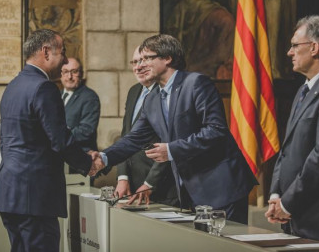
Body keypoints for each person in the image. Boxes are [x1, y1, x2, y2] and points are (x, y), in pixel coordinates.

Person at [101, 34, 257, 224]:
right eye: (139, 60)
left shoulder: (196, 83)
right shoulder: (152, 99)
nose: (140, 65)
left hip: (220, 187)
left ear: (168, 58)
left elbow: (216, 130)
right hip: (190, 191)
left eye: (147, 58)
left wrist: (171, 150)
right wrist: (103, 158)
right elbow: (133, 138)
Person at [0, 29, 103, 252]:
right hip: (35, 196)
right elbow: (59, 140)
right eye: (62, 52)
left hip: (10, 191)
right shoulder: (44, 88)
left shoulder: (13, 85)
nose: (63, 60)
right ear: (46, 52)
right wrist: (87, 163)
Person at [265, 15, 319, 243]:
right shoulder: (304, 90)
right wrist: (276, 194)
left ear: (314, 48)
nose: (289, 52)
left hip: (317, 217)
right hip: (294, 214)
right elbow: (287, 149)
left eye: (295, 45)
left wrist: (288, 202)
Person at [115, 47, 178, 206]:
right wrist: (123, 177)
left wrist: (150, 183)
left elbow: (169, 142)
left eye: (143, 61)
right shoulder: (133, 91)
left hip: (162, 187)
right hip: (134, 188)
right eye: (135, 62)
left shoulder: (167, 92)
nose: (138, 67)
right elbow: (126, 137)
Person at [61, 58, 100, 153]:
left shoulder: (89, 97)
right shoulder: (56, 95)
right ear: (60, 74)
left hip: (80, 156)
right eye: (65, 71)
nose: (69, 76)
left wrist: (57, 136)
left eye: (74, 72)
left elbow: (86, 131)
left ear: (81, 74)